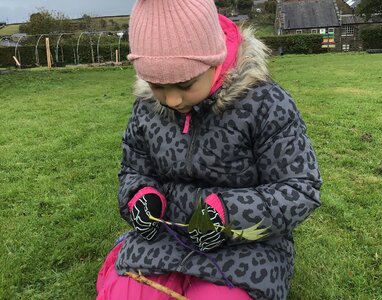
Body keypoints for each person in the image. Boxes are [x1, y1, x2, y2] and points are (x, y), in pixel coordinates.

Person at [96, 0, 322, 299]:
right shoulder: (146, 109)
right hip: (164, 239)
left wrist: (227, 214)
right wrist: (140, 197)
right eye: (157, 85)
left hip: (243, 247)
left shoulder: (267, 105)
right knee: (125, 294)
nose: (172, 100)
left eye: (185, 84)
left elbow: (300, 187)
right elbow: (134, 170)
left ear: (216, 60)